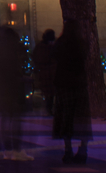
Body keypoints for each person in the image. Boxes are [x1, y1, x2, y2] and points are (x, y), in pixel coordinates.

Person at [0, 24, 28, 159]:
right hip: (13, 83)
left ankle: (2, 149)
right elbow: (21, 60)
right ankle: (15, 149)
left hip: (2, 84)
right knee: (15, 116)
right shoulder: (12, 52)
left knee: (5, 116)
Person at [52, 26, 90, 163]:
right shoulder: (81, 44)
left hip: (64, 86)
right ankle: (83, 149)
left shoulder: (61, 44)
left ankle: (68, 150)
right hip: (79, 86)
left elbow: (54, 57)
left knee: (66, 119)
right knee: (82, 120)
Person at [33, 30, 58, 118]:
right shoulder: (50, 47)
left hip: (44, 73)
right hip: (51, 73)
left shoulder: (39, 47)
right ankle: (49, 108)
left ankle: (48, 108)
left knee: (48, 93)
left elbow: (35, 57)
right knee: (51, 93)